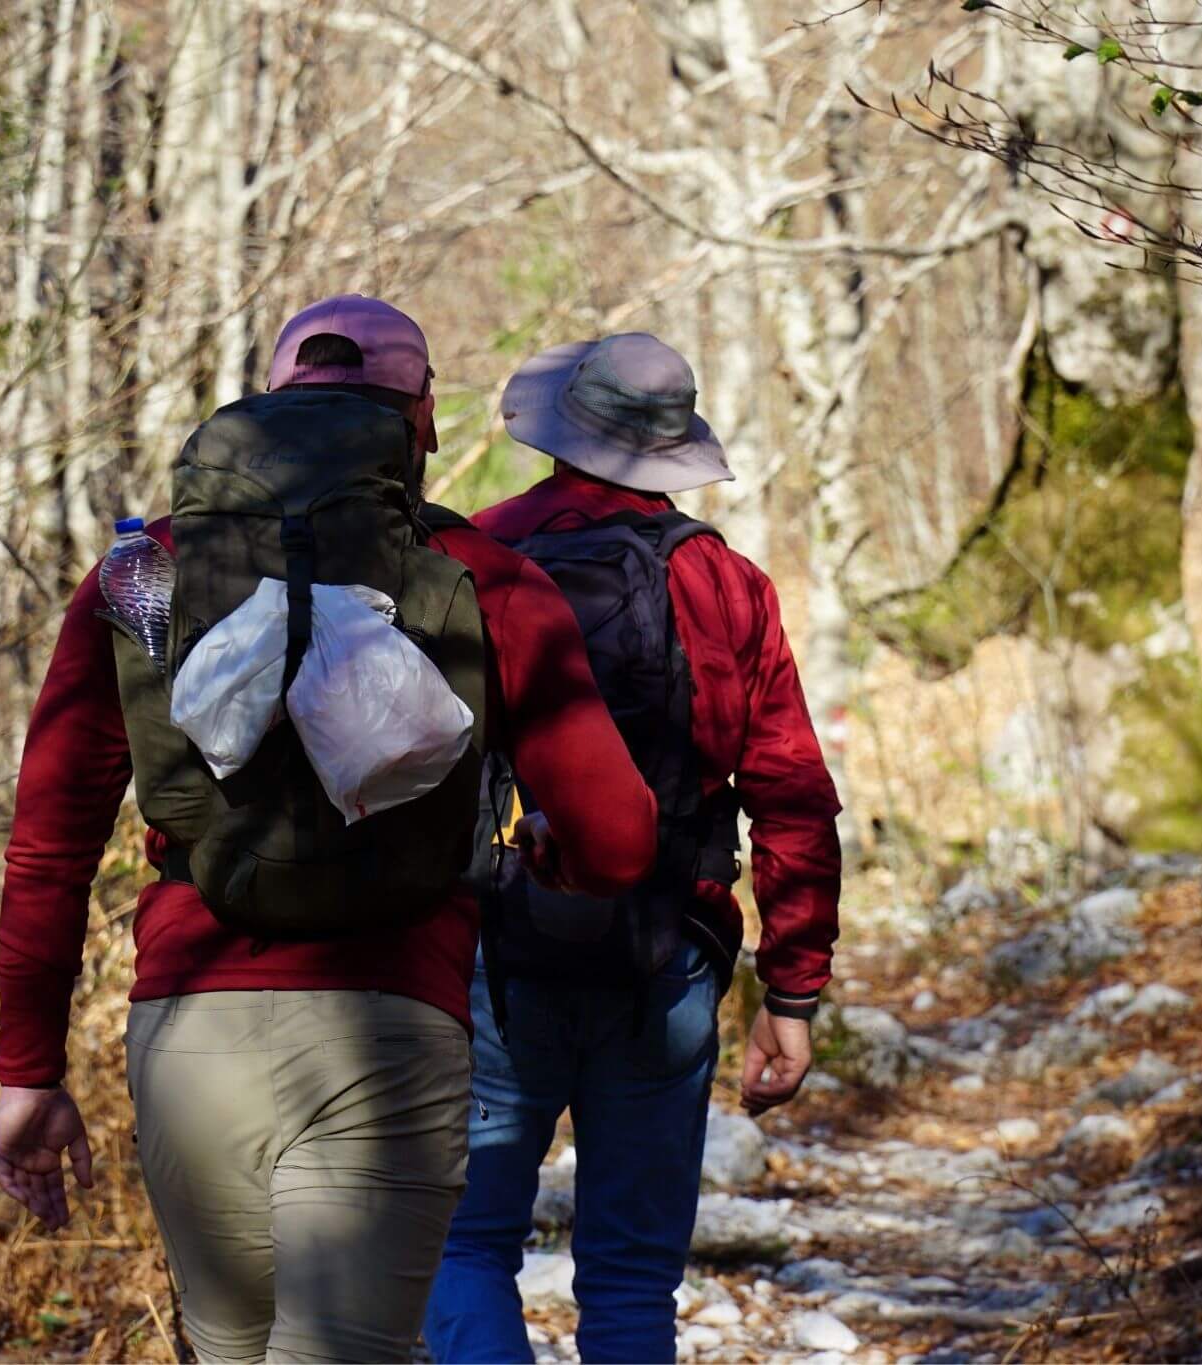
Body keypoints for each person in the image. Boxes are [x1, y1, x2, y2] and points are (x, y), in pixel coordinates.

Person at [0, 296, 659, 1364]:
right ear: (421, 421)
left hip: (189, 1031)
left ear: (265, 404)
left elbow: (49, 846)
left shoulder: (139, 575)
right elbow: (619, 836)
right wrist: (545, 858)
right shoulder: (482, 577)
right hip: (390, 1028)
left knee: (232, 1351)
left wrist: (27, 1067)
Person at [424, 332, 843, 1363]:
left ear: (562, 430)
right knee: (629, 1278)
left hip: (495, 949)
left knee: (465, 1249)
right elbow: (791, 797)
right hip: (669, 950)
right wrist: (788, 996)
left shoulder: (473, 554)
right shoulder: (725, 583)